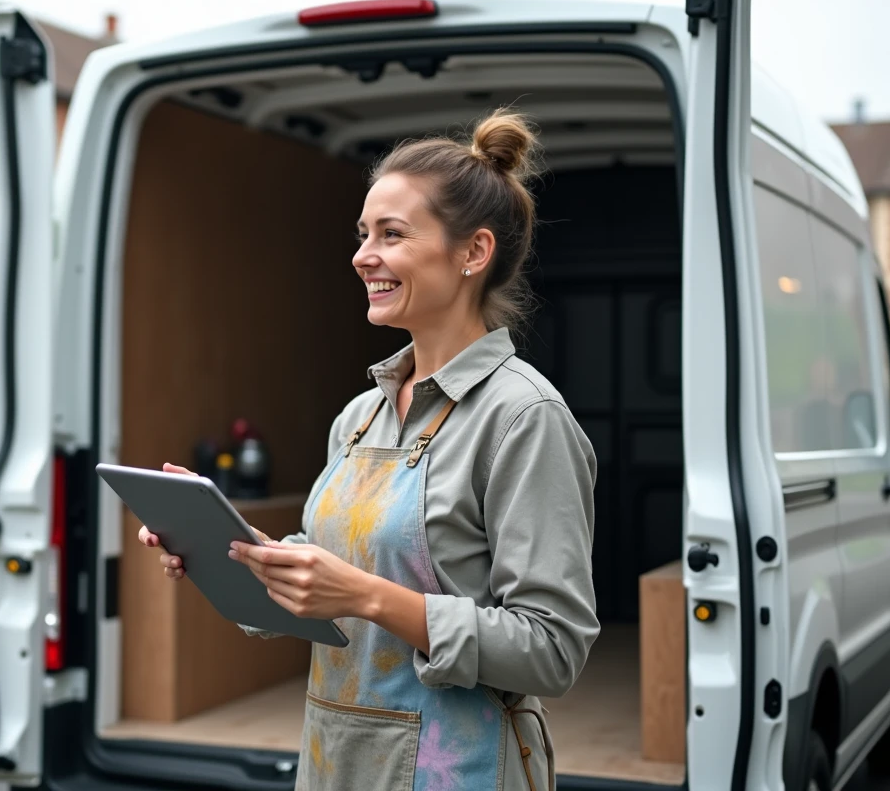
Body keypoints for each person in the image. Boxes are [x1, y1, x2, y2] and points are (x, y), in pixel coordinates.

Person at [138, 109, 599, 791]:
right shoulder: (361, 415)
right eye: (362, 235)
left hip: (457, 770)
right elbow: (331, 580)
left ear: (472, 253)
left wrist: (369, 597)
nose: (361, 256)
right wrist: (229, 552)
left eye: (391, 234)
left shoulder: (523, 417)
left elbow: (552, 650)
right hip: (336, 761)